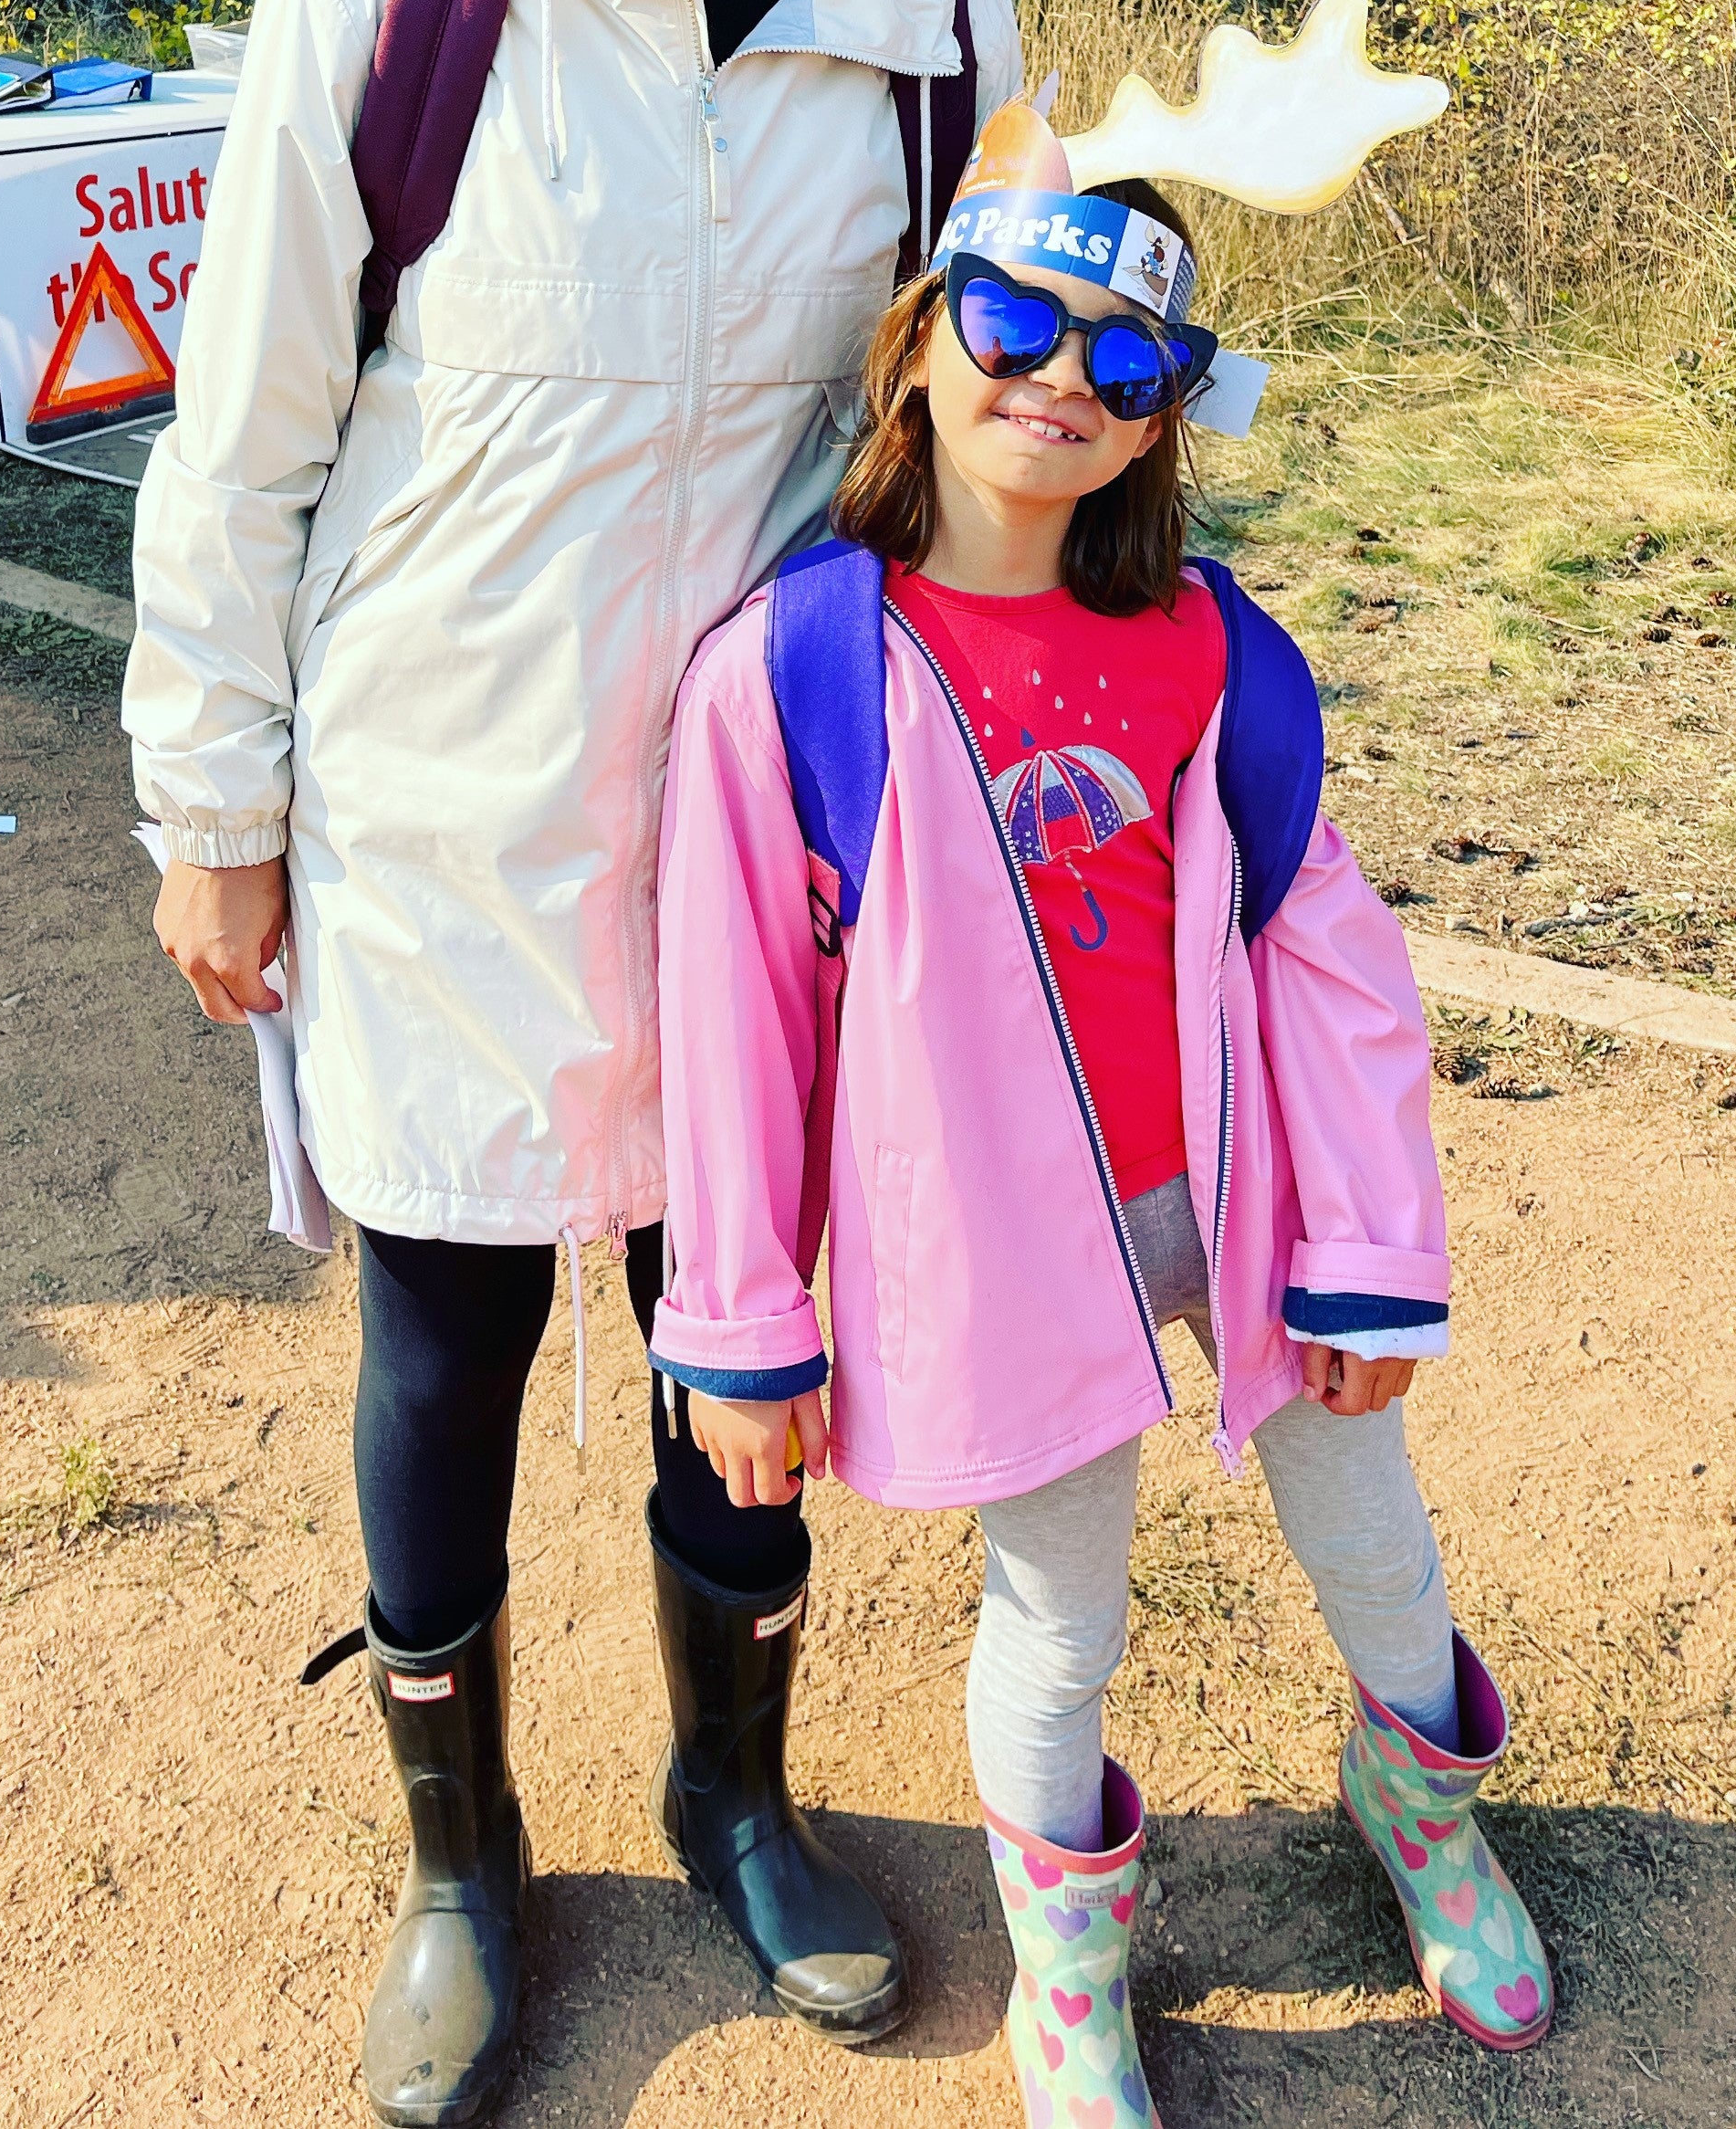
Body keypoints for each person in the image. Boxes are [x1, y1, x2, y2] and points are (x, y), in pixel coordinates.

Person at [126, 0, 1022, 2124]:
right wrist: (216, 810)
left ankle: (732, 1798)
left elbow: (966, 452)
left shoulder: (938, 22)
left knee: (729, 1333)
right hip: (443, 835)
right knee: (445, 1327)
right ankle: (452, 1860)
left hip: (763, 874)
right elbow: (247, 435)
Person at [649, 104, 1556, 2113]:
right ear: (916, 344)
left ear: (1160, 419)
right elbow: (731, 1027)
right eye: (1011, 324)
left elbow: (1332, 974)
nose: (1057, 382)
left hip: (1228, 1204)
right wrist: (743, 1327)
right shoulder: (792, 675)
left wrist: (1367, 1256)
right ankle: (1072, 1967)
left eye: (1119, 365)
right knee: (1059, 1616)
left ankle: (1420, 1814)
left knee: (1379, 1551)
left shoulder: (1217, 654)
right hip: (991, 1234)